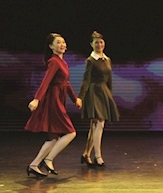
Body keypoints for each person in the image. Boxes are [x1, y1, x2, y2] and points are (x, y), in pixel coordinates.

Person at [25, 33, 82, 177]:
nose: (62, 45)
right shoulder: (54, 61)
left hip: (58, 99)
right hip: (53, 100)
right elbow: (46, 82)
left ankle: (34, 165)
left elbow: (65, 83)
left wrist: (74, 99)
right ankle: (48, 159)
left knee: (54, 138)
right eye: (58, 42)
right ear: (51, 46)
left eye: (63, 42)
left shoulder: (62, 62)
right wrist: (36, 99)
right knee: (71, 132)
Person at [78, 31, 120, 167]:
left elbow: (109, 79)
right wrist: (80, 97)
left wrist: (110, 95)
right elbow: (86, 80)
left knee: (94, 126)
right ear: (91, 44)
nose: (99, 45)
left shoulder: (107, 59)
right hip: (93, 92)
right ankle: (98, 156)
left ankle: (86, 154)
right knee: (99, 123)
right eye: (96, 42)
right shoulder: (90, 61)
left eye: (101, 42)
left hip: (104, 92)